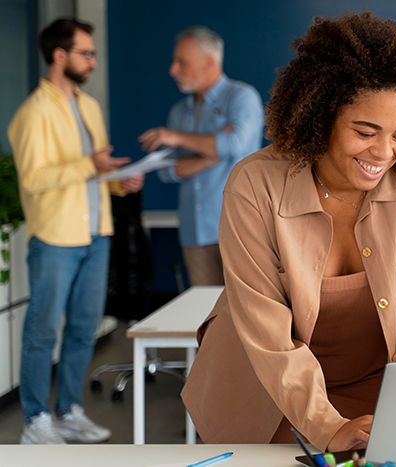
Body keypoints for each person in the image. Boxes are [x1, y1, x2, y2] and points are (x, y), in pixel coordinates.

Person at [181, 12, 396, 451]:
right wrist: (325, 426)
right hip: (265, 393)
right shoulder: (255, 184)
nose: (384, 153)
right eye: (365, 132)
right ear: (321, 116)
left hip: (374, 391)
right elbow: (266, 331)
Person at [8, 18, 144, 444]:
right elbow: (34, 179)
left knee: (85, 327)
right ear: (59, 55)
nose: (93, 60)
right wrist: (91, 166)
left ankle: (67, 409)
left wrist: (119, 181)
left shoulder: (89, 107)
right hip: (55, 238)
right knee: (42, 330)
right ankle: (35, 420)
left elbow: (91, 174)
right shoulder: (33, 113)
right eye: (86, 53)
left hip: (95, 233)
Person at [139, 26, 264, 286]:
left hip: (238, 228)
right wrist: (212, 154)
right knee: (205, 315)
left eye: (181, 62)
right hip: (194, 231)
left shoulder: (242, 97)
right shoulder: (179, 112)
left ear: (208, 61)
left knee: (245, 313)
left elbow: (237, 144)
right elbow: (166, 170)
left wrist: (177, 138)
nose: (173, 70)